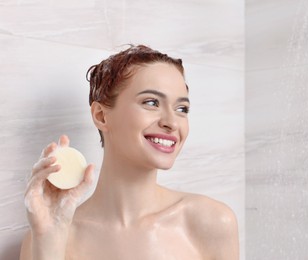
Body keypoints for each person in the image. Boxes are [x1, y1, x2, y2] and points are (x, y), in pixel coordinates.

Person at [20, 45, 239, 260]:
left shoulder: (210, 223)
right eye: (151, 102)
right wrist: (49, 241)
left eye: (182, 109)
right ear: (101, 116)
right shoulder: (50, 235)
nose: (172, 122)